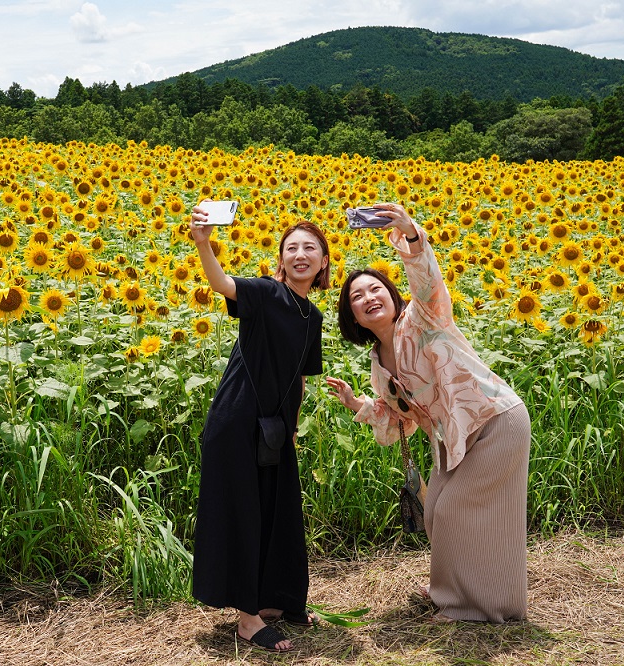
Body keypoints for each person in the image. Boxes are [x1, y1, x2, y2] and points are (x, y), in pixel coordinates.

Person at [326, 202, 530, 624]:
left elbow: (428, 282)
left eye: (375, 289)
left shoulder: (422, 318)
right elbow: (397, 417)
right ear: (354, 318)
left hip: (492, 420)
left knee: (454, 509)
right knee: (436, 508)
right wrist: (358, 405)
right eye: (357, 297)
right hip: (452, 437)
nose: (368, 298)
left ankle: (476, 607)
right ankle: (450, 592)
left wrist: (411, 235)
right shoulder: (378, 366)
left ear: (391, 293)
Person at [189, 204, 330, 652]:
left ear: (325, 261)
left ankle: (275, 599)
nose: (301, 254)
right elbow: (222, 284)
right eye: (292, 248)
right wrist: (204, 243)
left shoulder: (314, 317)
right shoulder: (266, 293)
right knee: (243, 512)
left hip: (275, 427)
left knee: (277, 508)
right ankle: (247, 620)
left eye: (311, 248)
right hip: (237, 419)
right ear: (282, 260)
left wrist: (290, 428)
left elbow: (301, 378)